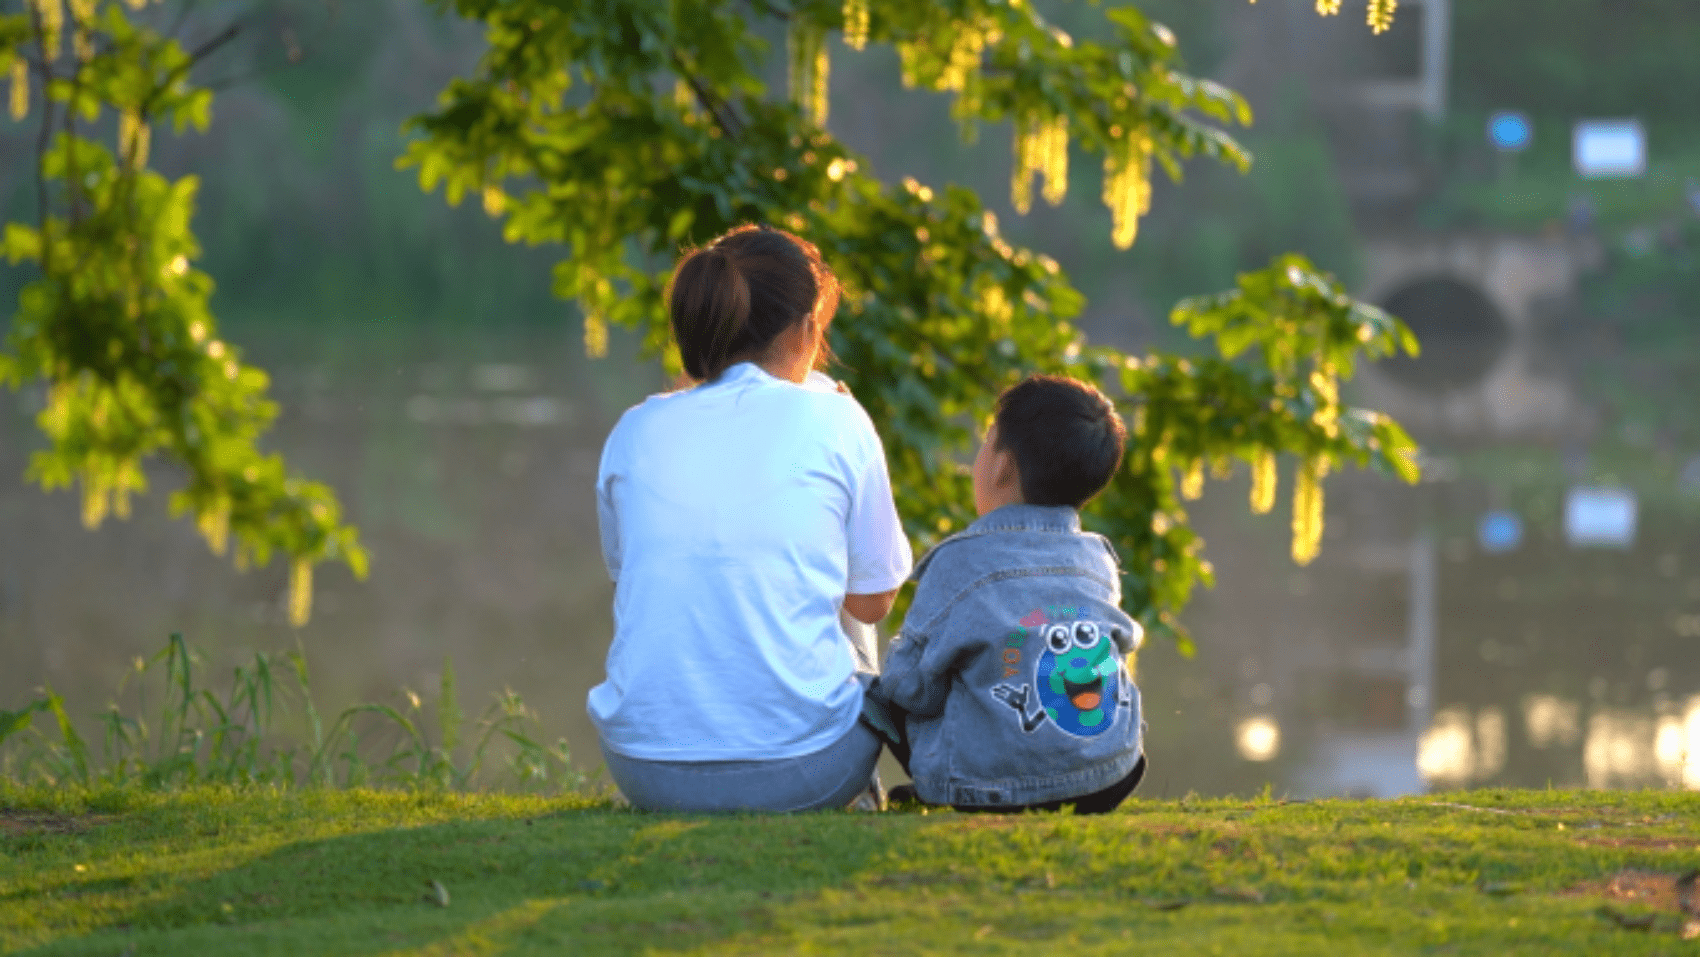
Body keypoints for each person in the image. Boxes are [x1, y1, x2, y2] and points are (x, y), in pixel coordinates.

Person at [589, 224, 912, 812]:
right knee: (854, 596)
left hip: (645, 771)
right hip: (803, 773)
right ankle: (859, 795)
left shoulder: (634, 430)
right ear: (805, 329)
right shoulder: (839, 420)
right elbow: (873, 601)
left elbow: (629, 574)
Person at [867, 374, 1146, 813]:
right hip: (1107, 776)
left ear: (1002, 466)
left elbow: (912, 687)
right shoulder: (1098, 559)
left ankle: (944, 781)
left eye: (986, 441)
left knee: (877, 691)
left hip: (990, 789)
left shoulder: (957, 563)